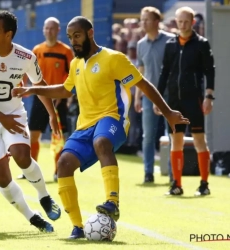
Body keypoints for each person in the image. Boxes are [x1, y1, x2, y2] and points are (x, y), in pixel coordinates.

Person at [12, 16, 189, 239]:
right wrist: (33, 90)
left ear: (90, 33)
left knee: (101, 142)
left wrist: (168, 113)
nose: (73, 41)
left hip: (112, 119)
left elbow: (143, 84)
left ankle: (112, 202)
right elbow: (67, 91)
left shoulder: (113, 58)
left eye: (77, 36)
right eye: (70, 37)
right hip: (85, 125)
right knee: (64, 164)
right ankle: (77, 227)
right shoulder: (76, 63)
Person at [0, 11, 61, 232]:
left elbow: (40, 84)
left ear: (8, 35)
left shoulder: (26, 57)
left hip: (14, 115)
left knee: (21, 155)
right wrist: (1, 118)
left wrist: (52, 114)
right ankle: (32, 216)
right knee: (2, 177)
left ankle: (44, 196)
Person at [155, 7, 215, 196]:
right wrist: (158, 99)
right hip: (174, 101)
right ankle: (176, 185)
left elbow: (209, 71)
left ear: (193, 22)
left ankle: (204, 184)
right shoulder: (170, 44)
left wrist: (208, 97)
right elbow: (164, 73)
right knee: (176, 141)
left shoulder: (201, 44)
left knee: (199, 141)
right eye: (179, 22)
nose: (182, 25)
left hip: (194, 100)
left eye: (186, 22)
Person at [17, 17, 74, 182]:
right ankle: (30, 171)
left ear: (58, 30)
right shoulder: (37, 50)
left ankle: (58, 171)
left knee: (59, 136)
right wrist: (24, 86)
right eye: (47, 28)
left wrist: (62, 94)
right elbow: (28, 71)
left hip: (59, 100)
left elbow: (70, 75)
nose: (49, 31)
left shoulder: (65, 52)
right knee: (33, 135)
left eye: (52, 28)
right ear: (43, 30)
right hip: (39, 98)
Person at [135, 7, 175, 183]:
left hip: (169, 95)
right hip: (148, 96)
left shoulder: (170, 40)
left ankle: (174, 174)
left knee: (173, 134)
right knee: (148, 136)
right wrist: (137, 96)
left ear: (156, 21)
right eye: (142, 19)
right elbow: (140, 72)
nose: (143, 23)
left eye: (147, 19)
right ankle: (148, 173)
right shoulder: (140, 44)